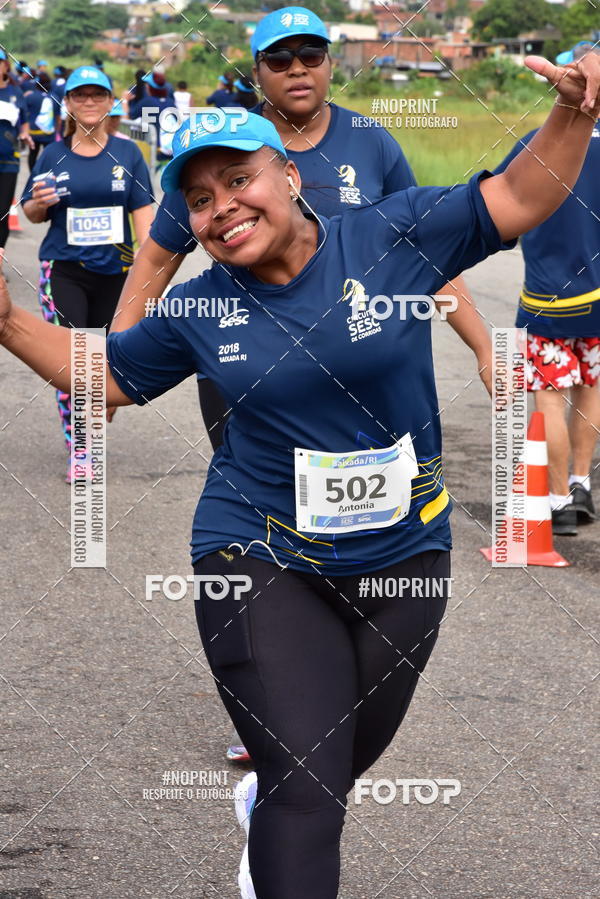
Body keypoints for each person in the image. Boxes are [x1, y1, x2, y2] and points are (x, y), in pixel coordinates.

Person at [2, 54, 599, 896]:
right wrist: (7, 319)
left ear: (288, 175)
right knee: (310, 785)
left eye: (237, 180)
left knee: (337, 763)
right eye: (198, 199)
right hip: (259, 553)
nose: (220, 207)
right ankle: (280, 813)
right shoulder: (201, 307)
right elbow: (100, 376)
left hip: (405, 557)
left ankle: (270, 801)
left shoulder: (391, 235)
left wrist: (574, 112)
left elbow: (521, 197)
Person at [110, 5, 494, 766]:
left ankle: (309, 715)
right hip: (252, 368)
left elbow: (430, 252)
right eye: (279, 59)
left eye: (310, 55)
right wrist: (118, 361)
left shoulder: (373, 143)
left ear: (328, 63)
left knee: (364, 527)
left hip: (365, 373)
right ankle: (278, 701)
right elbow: (155, 258)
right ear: (258, 73)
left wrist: (484, 345)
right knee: (270, 522)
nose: (297, 70)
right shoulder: (220, 154)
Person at [21, 65, 154, 483]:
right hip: (64, 270)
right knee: (75, 361)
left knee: (111, 362)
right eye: (80, 95)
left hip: (116, 273)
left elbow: (145, 220)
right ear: (68, 104)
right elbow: (31, 211)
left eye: (98, 94)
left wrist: (148, 274)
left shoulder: (128, 154)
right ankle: (82, 449)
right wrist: (39, 204)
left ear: (111, 102)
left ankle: (100, 401)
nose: (90, 102)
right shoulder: (52, 154)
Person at [495, 42, 600, 536]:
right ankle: (582, 482)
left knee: (551, 399)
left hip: (546, 300)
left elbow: (499, 209)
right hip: (598, 300)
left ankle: (559, 502)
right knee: (591, 387)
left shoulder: (534, 144)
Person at [0, 49, 33, 250]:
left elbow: (24, 122)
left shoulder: (15, 93)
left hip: (8, 162)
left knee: (2, 213)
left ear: (5, 66)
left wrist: (24, 134)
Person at [129, 71, 177, 166]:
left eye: (147, 84)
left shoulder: (147, 102)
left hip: (153, 149)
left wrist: (125, 101)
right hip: (169, 149)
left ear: (150, 87)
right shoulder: (170, 102)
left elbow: (130, 117)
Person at [24, 72, 56, 170]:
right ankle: (47, 174)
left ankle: (33, 174)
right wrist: (57, 131)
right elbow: (58, 117)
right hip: (49, 133)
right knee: (49, 156)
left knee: (32, 154)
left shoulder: (30, 96)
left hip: (33, 132)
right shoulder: (54, 97)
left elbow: (24, 114)